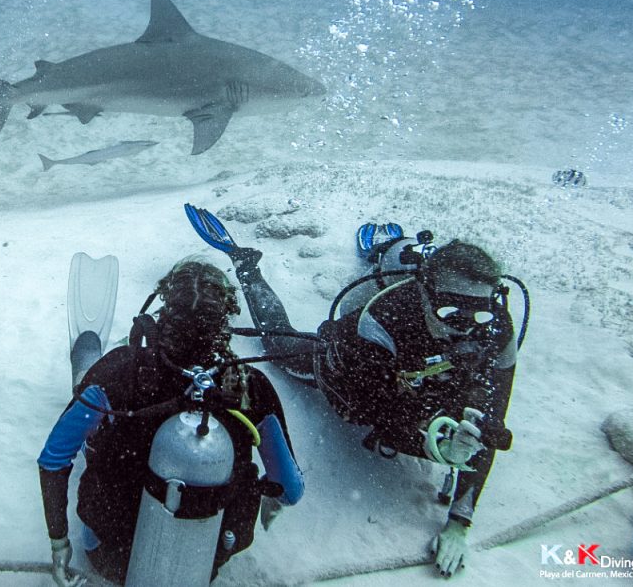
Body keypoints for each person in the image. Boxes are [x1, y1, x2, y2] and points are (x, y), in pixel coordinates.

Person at [185, 204, 523, 579]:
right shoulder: (382, 321)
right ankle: (246, 263)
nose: (467, 328)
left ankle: (391, 248)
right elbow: (375, 417)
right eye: (450, 313)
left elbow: (492, 419)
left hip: (422, 382)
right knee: (278, 341)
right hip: (349, 373)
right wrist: (436, 445)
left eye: (479, 313)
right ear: (424, 296)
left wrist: (459, 520)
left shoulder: (496, 329)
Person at [38, 259, 305, 586]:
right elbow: (291, 489)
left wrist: (59, 544)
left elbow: (53, 459)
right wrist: (268, 497)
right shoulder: (251, 387)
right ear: (225, 320)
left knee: (96, 425)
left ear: (164, 310)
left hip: (111, 557)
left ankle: (85, 373)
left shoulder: (121, 371)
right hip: (202, 565)